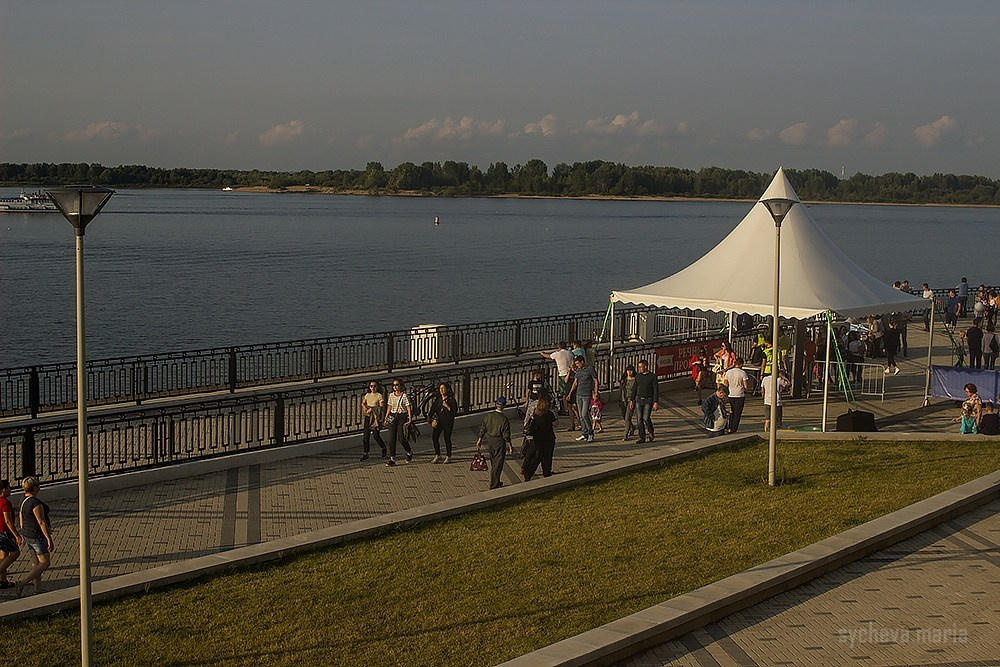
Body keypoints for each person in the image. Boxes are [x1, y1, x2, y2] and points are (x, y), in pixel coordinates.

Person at [15, 477, 53, 598]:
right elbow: (41, 522)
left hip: (27, 534)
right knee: (45, 562)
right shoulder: (35, 503)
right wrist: (48, 538)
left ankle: (37, 589)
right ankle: (22, 583)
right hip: (36, 535)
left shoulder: (23, 499)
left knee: (35, 563)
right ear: (35, 488)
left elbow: (20, 516)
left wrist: (22, 530)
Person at [476, 397, 513, 489]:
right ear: (504, 406)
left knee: (493, 462)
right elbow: (506, 435)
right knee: (498, 464)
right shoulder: (504, 419)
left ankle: (496, 481)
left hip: (490, 441)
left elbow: (483, 428)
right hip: (499, 442)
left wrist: (479, 439)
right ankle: (494, 484)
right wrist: (510, 446)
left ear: (496, 404)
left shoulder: (489, 416)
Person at [521, 395, 558, 480]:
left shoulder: (535, 413)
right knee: (547, 458)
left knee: (537, 457)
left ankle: (529, 473)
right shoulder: (549, 414)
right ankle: (547, 473)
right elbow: (556, 424)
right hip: (548, 440)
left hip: (537, 439)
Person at [567, 355, 599, 443]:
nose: (577, 365)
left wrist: (596, 392)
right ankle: (584, 433)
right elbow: (575, 382)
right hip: (579, 394)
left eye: (578, 363)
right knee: (581, 416)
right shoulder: (578, 371)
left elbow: (596, 380)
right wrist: (570, 393)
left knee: (585, 414)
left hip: (587, 394)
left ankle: (590, 433)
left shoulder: (590, 369)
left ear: (582, 362)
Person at [383, 379, 414, 466]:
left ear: (400, 385)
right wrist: (386, 418)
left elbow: (408, 408)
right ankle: (392, 458)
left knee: (401, 438)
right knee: (391, 438)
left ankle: (409, 452)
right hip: (393, 416)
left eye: (397, 385)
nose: (395, 387)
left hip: (402, 416)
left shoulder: (404, 396)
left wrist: (410, 419)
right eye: (394, 385)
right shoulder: (391, 395)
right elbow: (389, 406)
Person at [0, 480, 24, 589]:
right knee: (15, 553)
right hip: (4, 532)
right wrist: (16, 535)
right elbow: (8, 521)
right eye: (9, 488)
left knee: (3, 555)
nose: (10, 490)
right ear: (4, 490)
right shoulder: (5, 503)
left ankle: (3, 580)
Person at [428, 382, 458, 463]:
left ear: (447, 389)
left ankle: (448, 456)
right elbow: (431, 411)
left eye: (443, 388)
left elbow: (454, 412)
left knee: (447, 438)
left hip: (448, 422)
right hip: (439, 421)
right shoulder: (438, 400)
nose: (441, 390)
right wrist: (431, 421)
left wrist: (447, 406)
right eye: (440, 388)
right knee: (435, 437)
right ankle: (437, 455)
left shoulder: (451, 400)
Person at [540, 342, 574, 414]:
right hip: (570, 374)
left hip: (562, 374)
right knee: (570, 390)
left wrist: (542, 354)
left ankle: (566, 409)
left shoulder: (557, 354)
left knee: (564, 393)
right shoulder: (570, 353)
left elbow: (549, 356)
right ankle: (571, 406)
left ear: (559, 347)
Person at [631, 359, 659, 443]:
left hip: (648, 399)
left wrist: (655, 402)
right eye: (638, 367)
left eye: (641, 367)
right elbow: (635, 388)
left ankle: (651, 432)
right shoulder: (638, 376)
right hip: (638, 399)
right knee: (639, 419)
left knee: (646, 418)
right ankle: (641, 436)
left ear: (645, 367)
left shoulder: (652, 376)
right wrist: (632, 400)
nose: (639, 369)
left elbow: (655, 390)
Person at [359, 381, 387, 461]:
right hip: (368, 416)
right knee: (365, 436)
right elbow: (363, 402)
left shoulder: (379, 396)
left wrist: (373, 408)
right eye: (371, 386)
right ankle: (366, 453)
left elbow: (381, 407)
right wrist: (364, 407)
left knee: (376, 436)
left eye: (374, 386)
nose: (373, 388)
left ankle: (383, 447)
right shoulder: (367, 395)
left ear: (377, 387)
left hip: (375, 417)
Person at [722, 356, 750, 433]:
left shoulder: (729, 372)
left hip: (731, 394)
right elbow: (746, 386)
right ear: (741, 364)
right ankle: (734, 428)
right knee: (737, 413)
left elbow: (725, 384)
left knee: (732, 412)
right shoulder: (743, 373)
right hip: (739, 394)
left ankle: (729, 427)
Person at [618, 365, 637, 441]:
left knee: (627, 417)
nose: (629, 372)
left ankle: (625, 434)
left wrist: (633, 400)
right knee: (624, 416)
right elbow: (621, 391)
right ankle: (632, 427)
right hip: (623, 400)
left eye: (631, 371)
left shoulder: (635, 380)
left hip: (631, 400)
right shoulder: (623, 380)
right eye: (628, 371)